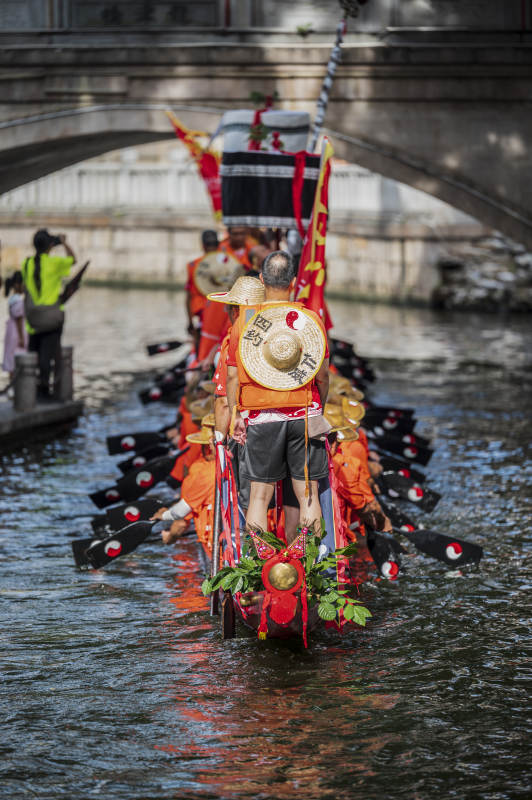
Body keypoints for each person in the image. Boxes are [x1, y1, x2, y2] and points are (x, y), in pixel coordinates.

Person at [226, 250, 330, 540]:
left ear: (261, 280)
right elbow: (322, 375)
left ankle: (259, 567)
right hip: (304, 414)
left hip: (261, 418)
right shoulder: (311, 320)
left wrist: (236, 413)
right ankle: (310, 565)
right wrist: (319, 407)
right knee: (307, 495)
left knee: (259, 497)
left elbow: (233, 376)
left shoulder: (243, 324)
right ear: (294, 281)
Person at [22, 229, 76, 399]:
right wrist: (64, 242)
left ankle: (31, 389)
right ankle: (45, 391)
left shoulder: (27, 264)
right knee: (48, 355)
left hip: (32, 318)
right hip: (51, 318)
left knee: (34, 352)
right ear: (50, 246)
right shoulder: (53, 264)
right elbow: (73, 260)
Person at [151, 419, 216, 554]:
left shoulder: (203, 470)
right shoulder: (236, 462)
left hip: (216, 542)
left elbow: (180, 519)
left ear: (206, 446)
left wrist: (163, 517)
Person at [185, 230, 219, 346]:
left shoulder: (193, 266)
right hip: (222, 319)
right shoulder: (228, 263)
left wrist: (190, 323)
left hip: (203, 318)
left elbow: (189, 297)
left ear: (203, 246)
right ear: (218, 245)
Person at [2, 271, 28, 379]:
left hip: (11, 330)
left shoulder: (12, 299)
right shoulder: (18, 300)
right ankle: (18, 385)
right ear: (18, 285)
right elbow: (19, 319)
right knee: (18, 356)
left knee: (11, 357)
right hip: (17, 332)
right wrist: (21, 338)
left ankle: (11, 383)